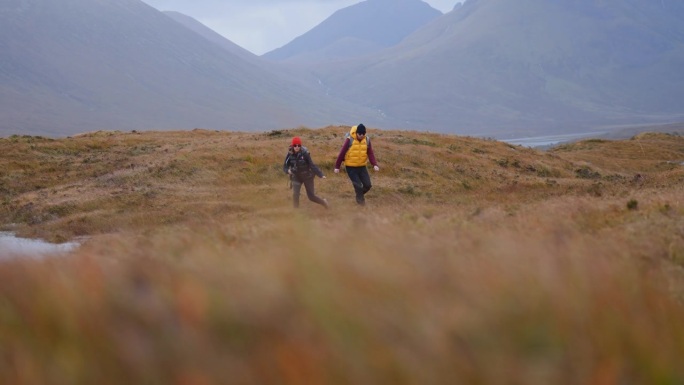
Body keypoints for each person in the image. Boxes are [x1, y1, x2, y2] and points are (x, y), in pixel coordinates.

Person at [334, 124, 380, 206]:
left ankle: (359, 195)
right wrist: (337, 167)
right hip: (350, 168)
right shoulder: (349, 140)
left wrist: (374, 164)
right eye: (359, 134)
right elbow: (342, 153)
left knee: (368, 185)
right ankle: (361, 206)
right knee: (358, 186)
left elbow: (370, 153)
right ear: (356, 133)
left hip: (362, 167)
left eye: (363, 134)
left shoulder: (367, 140)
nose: (361, 136)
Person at [283, 136, 329, 209]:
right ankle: (296, 212)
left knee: (311, 197)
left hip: (307, 176)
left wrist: (320, 174)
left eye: (299, 145)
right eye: (295, 145)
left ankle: (324, 202)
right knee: (295, 194)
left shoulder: (305, 153)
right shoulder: (289, 154)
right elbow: (285, 167)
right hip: (296, 177)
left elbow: (312, 165)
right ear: (292, 146)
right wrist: (288, 171)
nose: (297, 147)